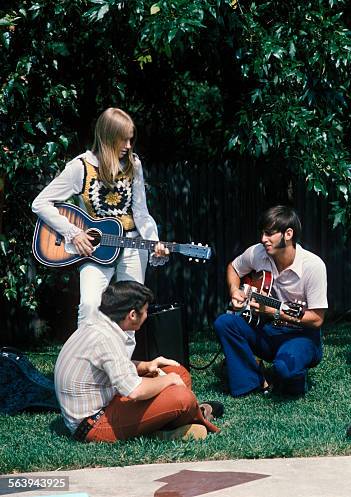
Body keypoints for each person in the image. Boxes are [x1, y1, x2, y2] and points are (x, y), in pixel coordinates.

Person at [32, 108, 168, 329]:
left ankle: (121, 364)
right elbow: (40, 203)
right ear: (107, 138)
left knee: (131, 313)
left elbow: (141, 212)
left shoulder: (134, 164)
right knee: (89, 306)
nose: (128, 145)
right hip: (96, 248)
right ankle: (83, 363)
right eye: (123, 140)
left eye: (130, 139)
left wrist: (154, 242)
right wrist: (73, 233)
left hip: (132, 244)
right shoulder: (80, 167)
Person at [54, 280, 222, 442]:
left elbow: (112, 366)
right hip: (93, 424)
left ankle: (163, 424)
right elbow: (134, 390)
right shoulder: (106, 338)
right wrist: (168, 380)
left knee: (178, 372)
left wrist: (148, 365)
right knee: (182, 396)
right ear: (132, 315)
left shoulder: (99, 324)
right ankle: (186, 419)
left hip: (105, 402)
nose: (147, 315)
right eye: (146, 310)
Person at [214, 206, 327, 397]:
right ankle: (250, 382)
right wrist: (235, 290)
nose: (263, 239)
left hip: (301, 335)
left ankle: (294, 373)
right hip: (267, 329)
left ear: (288, 234)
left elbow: (316, 319)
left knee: (285, 371)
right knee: (224, 323)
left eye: (269, 234)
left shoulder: (313, 266)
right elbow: (233, 268)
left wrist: (274, 312)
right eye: (262, 233)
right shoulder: (258, 253)